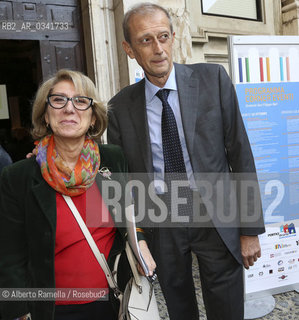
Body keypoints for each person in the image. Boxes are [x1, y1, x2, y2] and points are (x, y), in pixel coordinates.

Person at [108, 3, 265, 320]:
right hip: (162, 221)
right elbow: (121, 180)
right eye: (145, 40)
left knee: (227, 308)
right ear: (129, 49)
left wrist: (250, 230)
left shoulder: (213, 80)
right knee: (178, 308)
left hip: (216, 217)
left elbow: (240, 152)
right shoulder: (120, 106)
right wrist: (136, 239)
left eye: (163, 37)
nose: (158, 49)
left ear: (174, 37)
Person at [0, 69, 155, 320]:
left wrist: (141, 242)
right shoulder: (18, 177)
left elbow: (131, 213)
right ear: (46, 116)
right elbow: (10, 255)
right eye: (58, 100)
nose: (69, 109)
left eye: (81, 101)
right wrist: (19, 312)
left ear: (93, 117)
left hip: (113, 300)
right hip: (53, 309)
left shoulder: (113, 160)